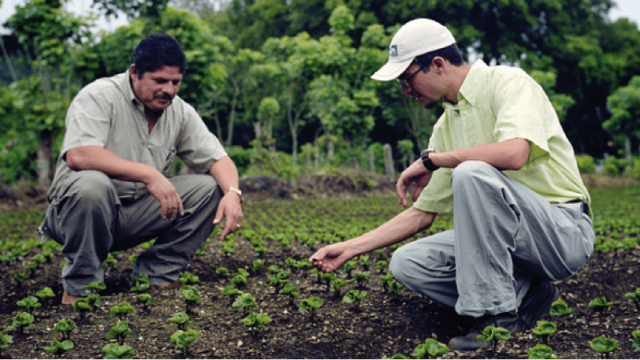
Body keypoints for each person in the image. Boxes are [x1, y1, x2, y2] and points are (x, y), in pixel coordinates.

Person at [309, 18, 595, 351]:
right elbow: (422, 214)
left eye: (406, 78)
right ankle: (528, 294)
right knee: (408, 263)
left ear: (438, 64)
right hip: (515, 245)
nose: (405, 90)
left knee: (471, 172)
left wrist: (435, 160)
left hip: (562, 233)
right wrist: (351, 247)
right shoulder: (446, 126)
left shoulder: (509, 82)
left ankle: (496, 319)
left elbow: (515, 153)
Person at [39, 33, 243, 305]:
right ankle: (80, 288)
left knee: (212, 188)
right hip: (78, 214)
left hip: (135, 213)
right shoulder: (99, 96)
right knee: (92, 186)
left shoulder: (179, 112)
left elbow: (219, 159)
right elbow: (79, 154)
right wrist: (149, 174)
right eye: (160, 80)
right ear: (135, 73)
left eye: (175, 82)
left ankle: (156, 275)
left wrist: (232, 192)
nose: (169, 90)